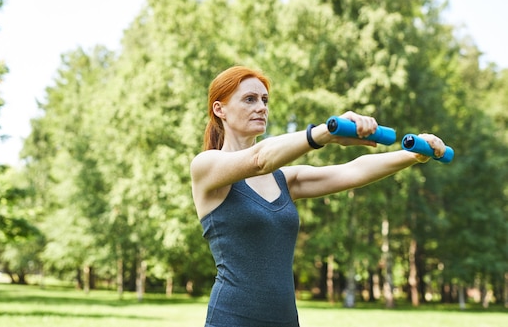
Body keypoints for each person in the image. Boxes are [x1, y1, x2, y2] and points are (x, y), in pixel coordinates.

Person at [190, 66, 447, 327]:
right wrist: (326, 133)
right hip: (231, 320)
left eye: (265, 100)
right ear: (219, 109)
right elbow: (259, 160)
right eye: (250, 99)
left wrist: (413, 155)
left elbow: (353, 171)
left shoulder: (284, 180)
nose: (261, 107)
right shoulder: (206, 167)